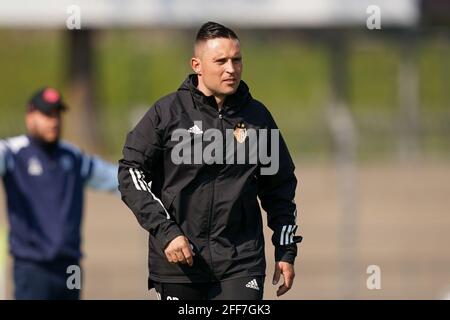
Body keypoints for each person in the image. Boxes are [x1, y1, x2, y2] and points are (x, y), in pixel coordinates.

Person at [118, 22, 302, 300]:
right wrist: (166, 232)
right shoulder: (167, 113)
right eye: (221, 61)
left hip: (241, 262)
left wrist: (285, 250)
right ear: (197, 64)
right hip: (180, 264)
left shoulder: (258, 118)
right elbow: (130, 172)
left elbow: (280, 188)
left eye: (236, 60)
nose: (231, 68)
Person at [0, 87, 118, 300]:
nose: (53, 121)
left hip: (71, 267)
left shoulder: (72, 156)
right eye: (46, 114)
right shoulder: (14, 152)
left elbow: (116, 179)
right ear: (30, 117)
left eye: (57, 114)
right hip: (33, 267)